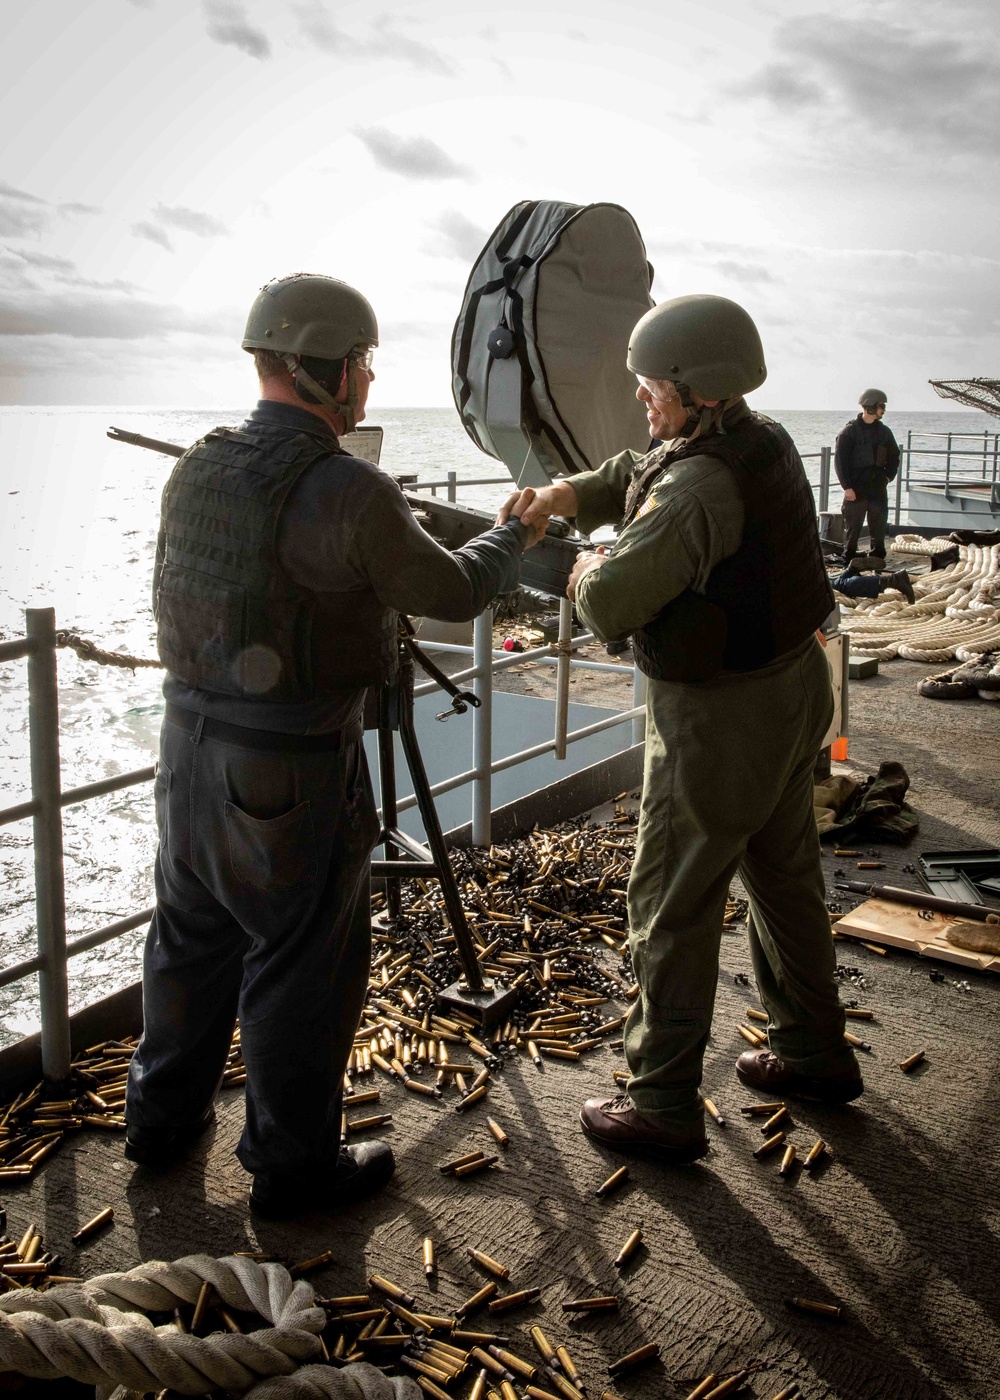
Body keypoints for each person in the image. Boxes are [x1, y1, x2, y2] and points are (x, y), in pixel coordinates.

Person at [125, 273, 547, 1216]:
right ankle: (293, 1167)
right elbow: (449, 591)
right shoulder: (349, 488)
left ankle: (157, 1122)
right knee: (299, 959)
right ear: (329, 369)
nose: (364, 379)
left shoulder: (198, 465)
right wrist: (510, 534)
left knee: (187, 940)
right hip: (286, 768)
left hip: (186, 746)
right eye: (360, 363)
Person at [516, 294, 862, 1164]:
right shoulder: (755, 438)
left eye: (651, 382)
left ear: (697, 388)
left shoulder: (698, 488)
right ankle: (815, 1054)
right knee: (784, 883)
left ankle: (661, 1099)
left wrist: (568, 560)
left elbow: (613, 597)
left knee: (669, 902)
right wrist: (565, 495)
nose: (640, 394)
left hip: (722, 723)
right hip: (791, 696)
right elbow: (639, 464)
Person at [833, 389, 900, 566]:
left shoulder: (884, 432)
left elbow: (894, 456)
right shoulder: (849, 433)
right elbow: (840, 461)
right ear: (871, 406)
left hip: (877, 488)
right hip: (857, 489)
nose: (884, 410)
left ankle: (877, 559)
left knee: (878, 528)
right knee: (853, 529)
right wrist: (847, 487)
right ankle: (848, 559)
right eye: (881, 406)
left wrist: (887, 478)